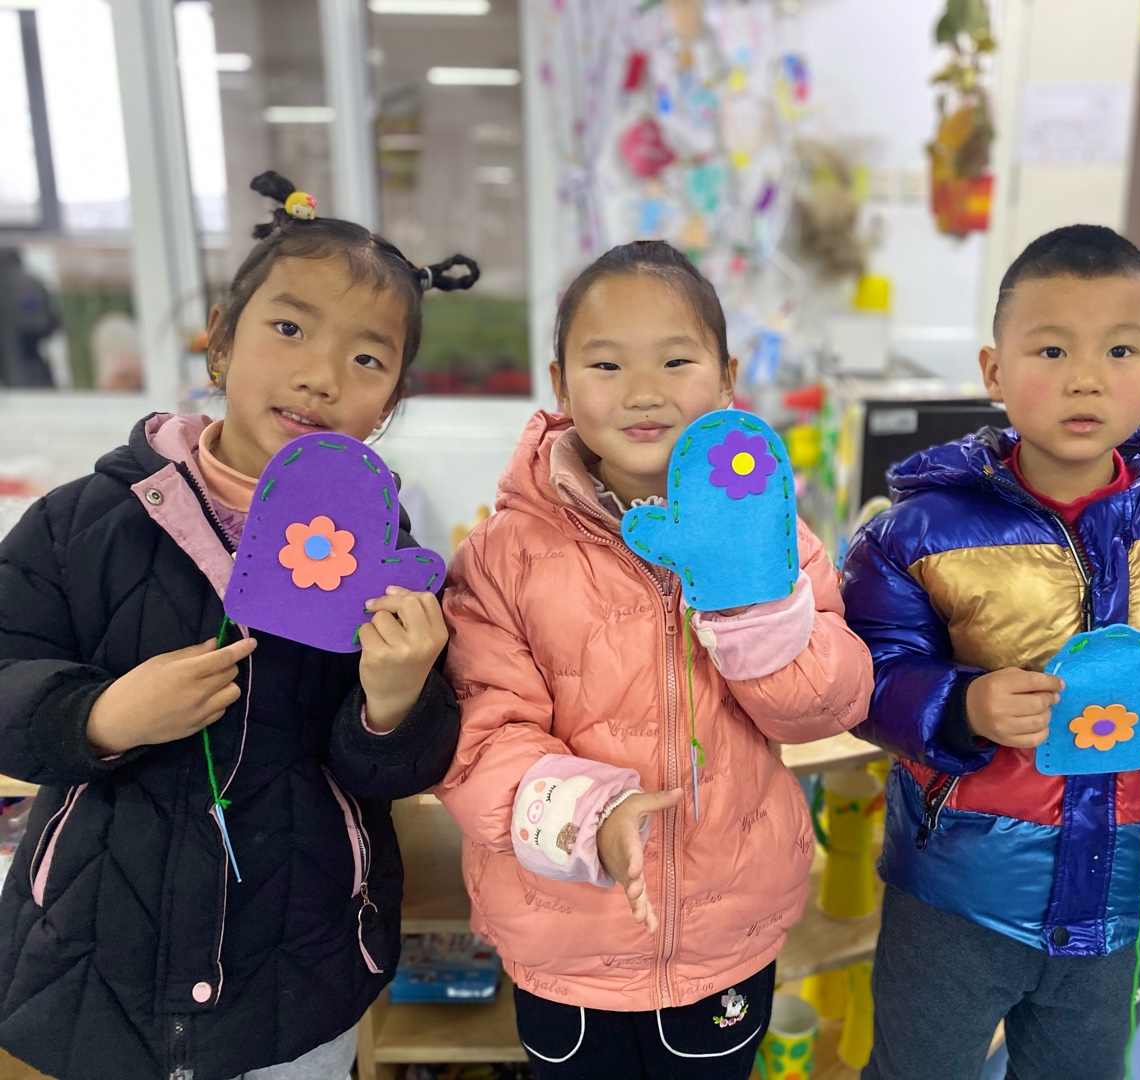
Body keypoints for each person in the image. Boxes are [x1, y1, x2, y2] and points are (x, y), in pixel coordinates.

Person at [0, 171, 476, 1080]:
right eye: (289, 328)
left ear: (389, 403)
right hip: (96, 975)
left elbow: (396, 771)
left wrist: (392, 702)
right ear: (220, 342)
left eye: (367, 360)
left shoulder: (386, 553)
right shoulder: (79, 523)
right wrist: (100, 718)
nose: (321, 375)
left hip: (296, 977)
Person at [841, 225, 1140, 1080]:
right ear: (993, 370)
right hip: (958, 891)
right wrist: (961, 705)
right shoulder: (916, 535)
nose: (1086, 377)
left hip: (1127, 893)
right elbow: (867, 679)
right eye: (1052, 350)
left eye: (1118, 351)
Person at [438, 240, 874, 1080]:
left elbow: (828, 705)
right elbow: (481, 739)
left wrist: (749, 603)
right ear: (561, 384)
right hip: (567, 943)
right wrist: (589, 819)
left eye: (676, 361)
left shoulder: (777, 537)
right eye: (607, 365)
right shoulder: (501, 556)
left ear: (727, 378)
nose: (643, 391)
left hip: (726, 935)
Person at [0, 248, 60, 388]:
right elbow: (48, 325)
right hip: (33, 372)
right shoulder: (32, 282)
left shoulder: (27, 283)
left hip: (17, 372)